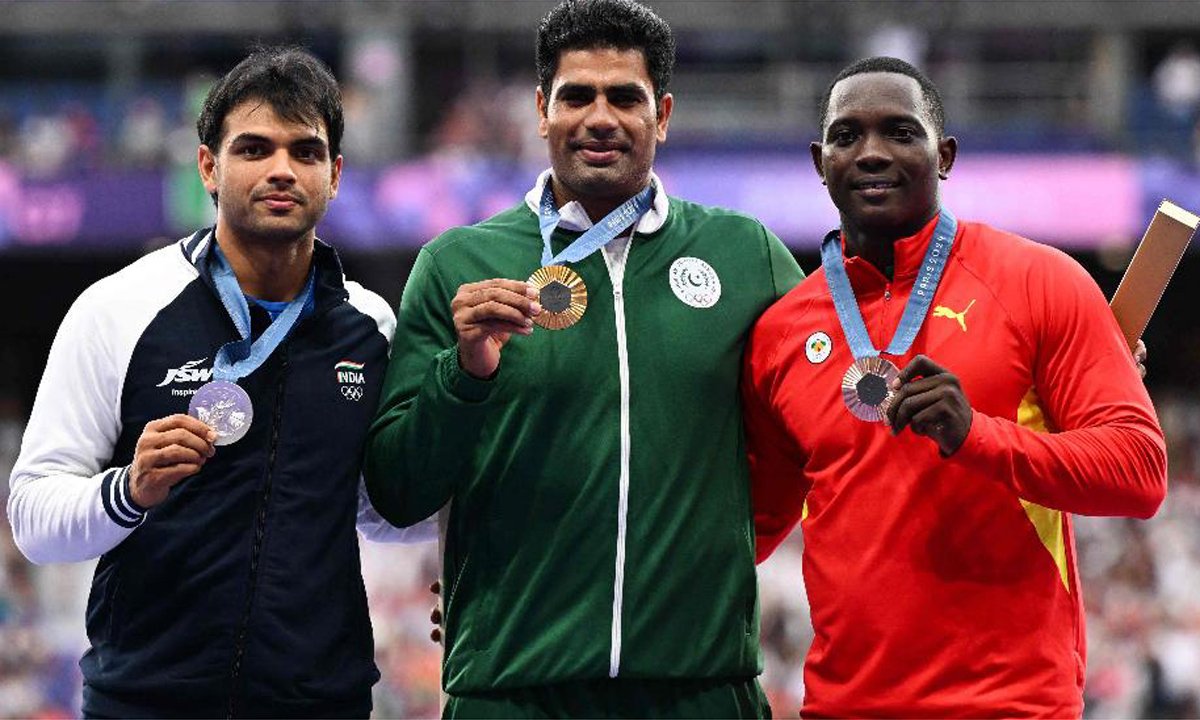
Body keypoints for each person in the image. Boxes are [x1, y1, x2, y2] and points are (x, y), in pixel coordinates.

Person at [363, 0, 804, 716]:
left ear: (661, 114)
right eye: (577, 96)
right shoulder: (457, 264)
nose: (601, 117)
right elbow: (397, 490)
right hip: (512, 691)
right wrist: (464, 372)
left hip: (701, 690)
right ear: (542, 110)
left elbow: (819, 425)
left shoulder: (745, 255)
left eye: (625, 97)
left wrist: (725, 554)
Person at [7, 46, 430, 717]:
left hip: (321, 704)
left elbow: (381, 512)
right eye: (255, 148)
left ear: (336, 173)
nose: (282, 170)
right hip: (145, 704)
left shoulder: (370, 327)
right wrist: (128, 491)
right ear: (209, 165)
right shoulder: (118, 310)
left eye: (306, 151)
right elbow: (32, 519)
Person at [742, 56, 1168, 717]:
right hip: (843, 707)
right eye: (847, 135)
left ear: (944, 155)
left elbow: (1139, 474)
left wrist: (978, 435)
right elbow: (752, 527)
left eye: (901, 132)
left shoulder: (1040, 282)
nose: (873, 152)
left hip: (1010, 704)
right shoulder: (779, 333)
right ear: (818, 161)